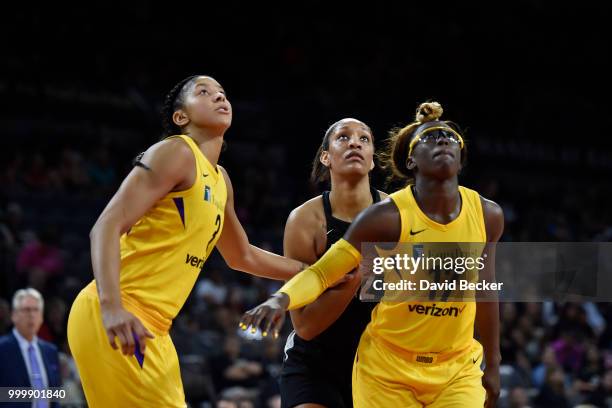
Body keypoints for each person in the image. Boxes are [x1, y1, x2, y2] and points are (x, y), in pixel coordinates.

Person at [241, 102, 504, 408]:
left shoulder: (487, 215)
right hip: (355, 359)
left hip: (447, 363)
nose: (443, 140)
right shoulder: (377, 218)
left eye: (450, 137)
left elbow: (485, 290)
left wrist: (493, 362)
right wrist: (282, 298)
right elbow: (315, 289)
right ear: (411, 161)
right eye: (429, 138)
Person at [67, 75, 305, 407]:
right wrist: (112, 309)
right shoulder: (176, 151)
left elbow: (243, 257)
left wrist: (310, 272)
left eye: (223, 93)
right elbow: (106, 225)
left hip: (157, 331)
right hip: (119, 313)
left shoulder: (222, 180)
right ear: (182, 117)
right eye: (204, 93)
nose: (219, 98)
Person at [279, 118, 386, 408]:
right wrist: (356, 275)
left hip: (382, 365)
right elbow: (305, 326)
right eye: (343, 137)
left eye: (364, 139)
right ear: (326, 156)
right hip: (316, 364)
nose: (354, 142)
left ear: (372, 160)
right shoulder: (305, 220)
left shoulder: (399, 215)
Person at [0, 288, 62, 408]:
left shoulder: (50, 351)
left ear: (42, 317)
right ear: (14, 315)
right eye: (26, 310)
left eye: (36, 310)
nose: (32, 315)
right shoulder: (2, 349)